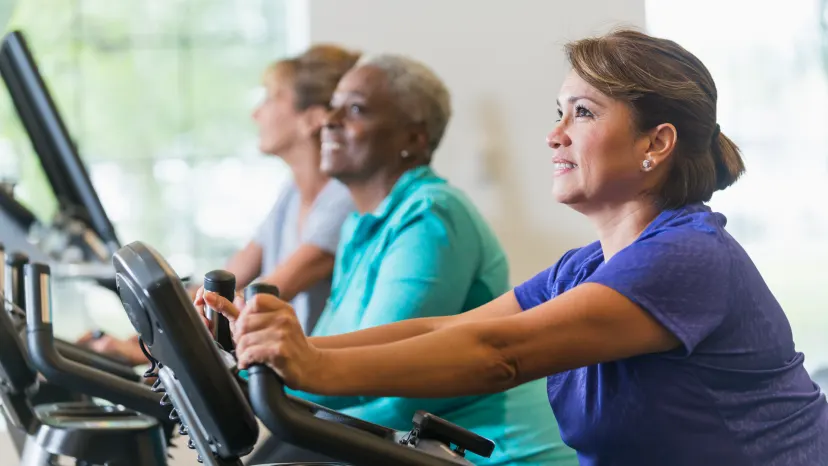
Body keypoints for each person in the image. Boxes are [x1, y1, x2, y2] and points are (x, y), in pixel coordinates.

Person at [205, 29, 828, 466]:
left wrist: (312, 368)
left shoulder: (689, 256)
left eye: (583, 113)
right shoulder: (586, 267)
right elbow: (449, 327)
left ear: (656, 144)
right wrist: (285, 348)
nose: (555, 135)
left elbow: (499, 354)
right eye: (559, 112)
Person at [199, 54, 577, 465]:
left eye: (355, 110)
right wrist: (249, 356)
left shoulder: (432, 215)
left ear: (413, 138)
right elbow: (330, 351)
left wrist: (259, 370)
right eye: (333, 106)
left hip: (498, 455)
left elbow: (384, 383)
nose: (329, 121)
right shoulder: (360, 228)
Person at [78, 44, 358, 365]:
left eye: (271, 98)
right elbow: (224, 283)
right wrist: (134, 340)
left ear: (313, 119)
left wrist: (144, 352)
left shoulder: (343, 201)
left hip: (302, 377)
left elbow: (250, 305)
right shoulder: (292, 193)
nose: (256, 113)